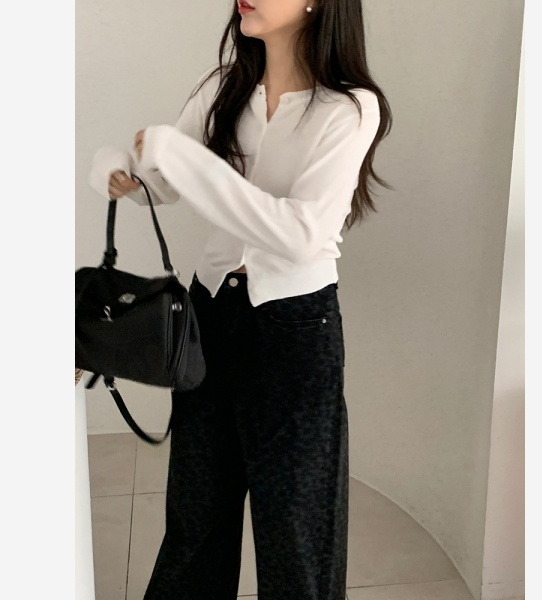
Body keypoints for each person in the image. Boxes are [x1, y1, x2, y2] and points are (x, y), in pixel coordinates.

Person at [88, 1, 392, 598]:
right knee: (195, 522)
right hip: (210, 315)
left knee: (297, 537)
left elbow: (300, 234)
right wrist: (116, 169)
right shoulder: (224, 88)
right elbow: (163, 183)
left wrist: (179, 155)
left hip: (295, 329)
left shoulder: (350, 107)